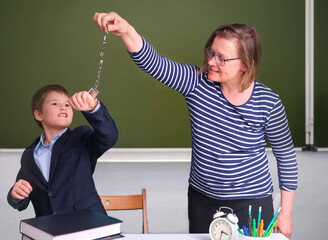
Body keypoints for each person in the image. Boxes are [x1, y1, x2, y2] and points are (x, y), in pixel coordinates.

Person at [93, 12, 298, 238]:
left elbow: (286, 157)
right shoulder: (197, 84)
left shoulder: (268, 102)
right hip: (203, 201)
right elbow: (155, 64)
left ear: (245, 65)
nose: (211, 61)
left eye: (222, 58)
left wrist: (285, 214)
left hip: (252, 204)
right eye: (211, 52)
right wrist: (126, 30)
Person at [7, 84, 118, 217]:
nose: (63, 107)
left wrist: (93, 110)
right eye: (54, 104)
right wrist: (15, 194)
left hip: (87, 225)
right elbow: (22, 196)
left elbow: (109, 136)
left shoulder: (81, 137)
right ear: (39, 114)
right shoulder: (29, 154)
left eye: (67, 105)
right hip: (49, 230)